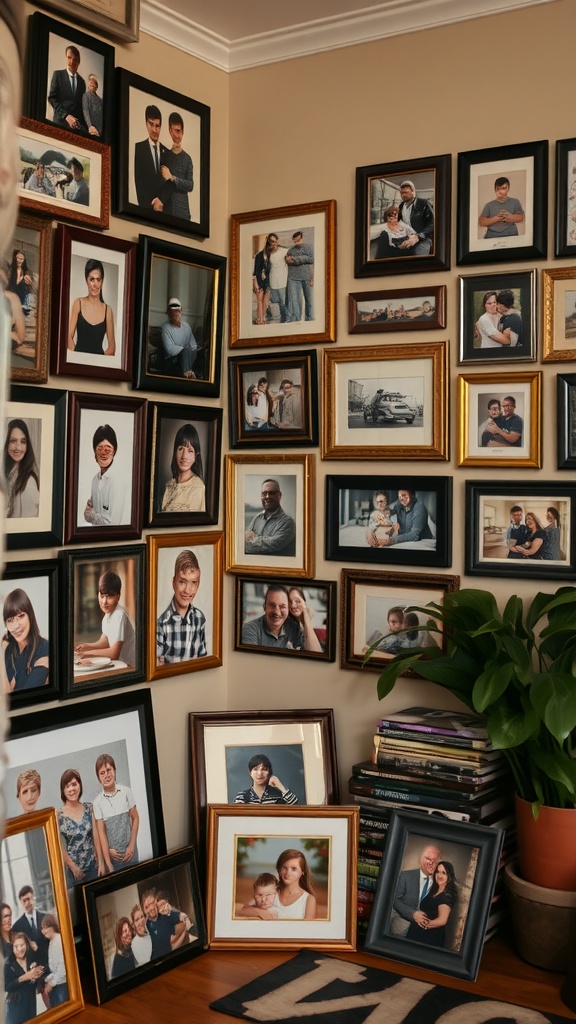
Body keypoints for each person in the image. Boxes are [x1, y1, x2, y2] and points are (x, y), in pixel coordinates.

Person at [74, 570, 136, 667]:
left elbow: (114, 654)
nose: (104, 602)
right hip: (119, 665)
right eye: (102, 596)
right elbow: (105, 642)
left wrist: (86, 654)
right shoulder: (107, 616)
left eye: (109, 597)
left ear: (118, 597)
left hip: (129, 666)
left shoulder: (119, 615)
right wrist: (87, 646)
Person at [156, 549, 207, 663]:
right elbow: (157, 664)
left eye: (193, 582)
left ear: (198, 584)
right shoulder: (161, 623)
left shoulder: (200, 618)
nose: (187, 590)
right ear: (174, 582)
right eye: (182, 582)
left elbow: (202, 659)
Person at [92, 753, 139, 873]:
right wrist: (108, 857)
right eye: (102, 773)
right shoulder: (97, 803)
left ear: (115, 770)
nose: (106, 775)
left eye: (109, 770)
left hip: (131, 854)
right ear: (98, 777)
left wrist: (132, 845)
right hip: (114, 859)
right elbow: (101, 833)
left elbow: (135, 818)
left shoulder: (126, 792)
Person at [57, 768, 104, 888]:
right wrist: (74, 868)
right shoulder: (58, 816)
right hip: (73, 874)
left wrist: (101, 862)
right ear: (63, 790)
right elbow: (59, 848)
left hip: (93, 868)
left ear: (80, 785)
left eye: (74, 784)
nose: (72, 789)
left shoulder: (89, 808)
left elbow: (96, 837)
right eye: (67, 786)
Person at [242, 584, 316, 651]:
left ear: (288, 609)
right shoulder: (250, 629)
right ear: (264, 607)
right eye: (272, 605)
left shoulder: (294, 628)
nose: (276, 612)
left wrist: (305, 616)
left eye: (282, 606)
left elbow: (314, 656)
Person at [1, 589, 48, 693]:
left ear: (30, 616)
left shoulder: (45, 649)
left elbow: (27, 697)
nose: (16, 626)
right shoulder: (7, 650)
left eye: (21, 616)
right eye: (10, 620)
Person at [390, 843, 441, 937]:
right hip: (401, 930)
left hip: (424, 935)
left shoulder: (440, 884)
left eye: (435, 861)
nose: (431, 863)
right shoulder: (405, 876)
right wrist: (413, 914)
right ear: (421, 859)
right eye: (428, 859)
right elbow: (394, 900)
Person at [68, 258, 116, 357]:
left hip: (98, 369)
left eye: (98, 279)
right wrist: (76, 355)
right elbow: (68, 335)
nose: (95, 284)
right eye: (92, 279)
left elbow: (112, 347)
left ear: (102, 281)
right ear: (86, 280)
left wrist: (98, 361)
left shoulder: (108, 310)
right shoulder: (78, 303)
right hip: (78, 364)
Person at [406, 860, 458, 947]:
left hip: (430, 936)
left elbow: (442, 921)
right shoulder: (434, 889)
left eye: (443, 873)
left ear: (449, 875)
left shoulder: (447, 896)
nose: (439, 875)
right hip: (418, 932)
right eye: (437, 872)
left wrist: (423, 924)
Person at [84, 424, 127, 527]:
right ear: (94, 451)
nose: (103, 453)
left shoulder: (118, 480)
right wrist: (89, 512)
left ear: (114, 451)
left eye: (108, 449)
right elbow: (89, 514)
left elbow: (114, 523)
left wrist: (93, 516)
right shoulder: (95, 480)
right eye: (99, 449)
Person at [160, 423, 205, 513]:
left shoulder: (198, 487)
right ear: (175, 452)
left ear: (196, 455)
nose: (184, 456)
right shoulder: (168, 485)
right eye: (180, 449)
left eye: (190, 451)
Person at [244, 478, 296, 557]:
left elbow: (273, 545)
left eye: (271, 493)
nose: (267, 497)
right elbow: (244, 542)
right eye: (264, 493)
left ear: (279, 495)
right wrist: (263, 540)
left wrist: (253, 539)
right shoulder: (257, 518)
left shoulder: (288, 522)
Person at [367, 488, 432, 548]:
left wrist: (390, 541)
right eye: (399, 496)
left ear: (412, 495)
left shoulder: (419, 507)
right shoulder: (399, 505)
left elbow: (414, 535)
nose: (401, 499)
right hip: (403, 540)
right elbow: (387, 513)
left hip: (422, 541)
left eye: (404, 495)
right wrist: (369, 530)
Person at [4, 932, 45, 1024]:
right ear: (12, 947)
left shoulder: (32, 958)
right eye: (16, 946)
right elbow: (7, 987)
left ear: (26, 945)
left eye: (22, 945)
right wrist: (25, 977)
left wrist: (38, 976)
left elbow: (38, 983)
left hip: (30, 1003)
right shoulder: (8, 964)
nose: (19, 949)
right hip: (15, 1007)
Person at [159, 111, 194, 219]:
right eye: (175, 131)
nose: (177, 135)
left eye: (180, 131)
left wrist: (173, 178)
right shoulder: (165, 155)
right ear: (170, 131)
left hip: (183, 212)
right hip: (167, 209)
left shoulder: (187, 159)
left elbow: (190, 185)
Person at [134, 104, 169, 211]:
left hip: (164, 209)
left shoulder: (167, 152)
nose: (154, 130)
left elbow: (169, 184)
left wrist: (161, 200)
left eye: (157, 126)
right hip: (146, 208)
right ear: (146, 124)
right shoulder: (139, 148)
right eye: (151, 124)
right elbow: (138, 181)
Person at [3, 418, 40, 518]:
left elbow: (27, 526)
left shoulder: (29, 482)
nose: (18, 447)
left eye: (23, 441)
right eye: (13, 441)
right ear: (7, 444)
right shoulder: (9, 474)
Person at [12, 886, 49, 976]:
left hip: (49, 965)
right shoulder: (17, 926)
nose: (27, 903)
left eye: (29, 899)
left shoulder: (46, 918)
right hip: (31, 973)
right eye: (24, 901)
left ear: (34, 898)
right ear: (21, 902)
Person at [48, 44, 86, 132]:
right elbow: (52, 99)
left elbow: (81, 107)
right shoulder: (58, 75)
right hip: (59, 123)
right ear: (66, 58)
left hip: (75, 127)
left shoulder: (81, 82)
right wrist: (66, 116)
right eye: (69, 57)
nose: (71, 62)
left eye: (75, 59)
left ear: (78, 62)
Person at [273, 849, 317, 920]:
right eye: (284, 868)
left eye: (293, 869)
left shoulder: (309, 900)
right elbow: (249, 910)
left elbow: (309, 929)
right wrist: (259, 912)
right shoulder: (272, 892)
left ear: (303, 871)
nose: (288, 873)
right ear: (279, 869)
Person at [160, 297, 198, 377]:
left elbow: (194, 345)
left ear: (181, 311)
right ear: (169, 313)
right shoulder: (165, 327)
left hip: (188, 358)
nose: (176, 313)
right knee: (186, 351)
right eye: (173, 311)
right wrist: (185, 349)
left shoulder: (187, 326)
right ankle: (187, 373)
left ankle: (190, 373)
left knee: (198, 352)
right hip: (171, 361)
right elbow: (170, 350)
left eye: (177, 311)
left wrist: (187, 350)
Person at [141, 891, 183, 958]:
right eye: (147, 906)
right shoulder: (145, 928)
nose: (151, 908)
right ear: (144, 910)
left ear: (156, 902)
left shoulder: (166, 915)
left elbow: (183, 923)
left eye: (152, 903)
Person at [397, 180, 435, 254]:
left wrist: (418, 237)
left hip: (423, 239)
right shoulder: (401, 206)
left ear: (413, 192)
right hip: (406, 238)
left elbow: (432, 223)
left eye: (406, 193)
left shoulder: (423, 203)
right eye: (402, 193)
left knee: (418, 256)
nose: (403, 195)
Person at [285, 230, 314, 322]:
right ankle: (296, 320)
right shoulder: (290, 250)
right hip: (293, 278)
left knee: (309, 300)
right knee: (295, 301)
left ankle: (309, 319)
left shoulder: (309, 247)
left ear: (302, 238)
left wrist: (294, 259)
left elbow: (311, 259)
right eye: (294, 240)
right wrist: (302, 259)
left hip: (307, 277)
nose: (296, 242)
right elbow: (288, 261)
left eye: (298, 240)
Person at [41, 915, 68, 1006]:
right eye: (42, 929)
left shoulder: (58, 940)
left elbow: (63, 967)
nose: (44, 931)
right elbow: (55, 969)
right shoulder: (52, 942)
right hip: (58, 985)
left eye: (46, 927)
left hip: (62, 986)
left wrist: (51, 983)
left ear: (52, 926)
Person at [288, 586, 323, 652]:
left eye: (297, 601)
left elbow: (317, 652)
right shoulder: (288, 624)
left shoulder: (308, 619)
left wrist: (306, 615)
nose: (292, 605)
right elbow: (315, 652)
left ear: (304, 601)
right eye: (289, 602)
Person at [267, 233, 288, 323]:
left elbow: (292, 257)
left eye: (276, 240)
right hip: (273, 279)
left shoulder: (284, 251)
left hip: (283, 279)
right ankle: (275, 315)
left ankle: (284, 317)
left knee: (283, 301)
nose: (274, 243)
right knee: (276, 300)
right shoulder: (268, 253)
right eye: (272, 241)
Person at [252, 235, 272, 324]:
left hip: (267, 281)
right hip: (259, 281)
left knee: (265, 301)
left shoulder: (271, 256)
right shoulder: (259, 256)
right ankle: (259, 319)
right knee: (259, 301)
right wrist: (255, 283)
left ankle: (264, 318)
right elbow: (255, 271)